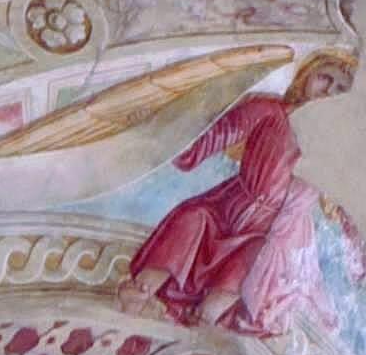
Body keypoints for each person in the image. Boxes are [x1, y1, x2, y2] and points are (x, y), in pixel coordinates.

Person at [123, 53, 351, 336]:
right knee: (191, 219)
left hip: (268, 232)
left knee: (245, 269)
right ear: (306, 75)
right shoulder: (269, 110)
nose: (329, 91)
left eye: (341, 88)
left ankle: (204, 325)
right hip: (227, 206)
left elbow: (349, 205)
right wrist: (165, 134)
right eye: (325, 78)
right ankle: (139, 294)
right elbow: (219, 134)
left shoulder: (334, 151)